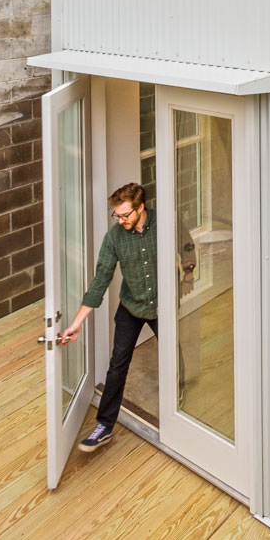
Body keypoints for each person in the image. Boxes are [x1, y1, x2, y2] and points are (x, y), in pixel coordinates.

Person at [60, 181, 195, 452]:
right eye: (117, 215)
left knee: (171, 348)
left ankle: (177, 389)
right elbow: (100, 281)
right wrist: (76, 324)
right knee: (117, 364)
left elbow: (186, 243)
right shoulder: (114, 238)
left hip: (162, 304)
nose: (120, 220)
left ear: (140, 207)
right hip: (131, 306)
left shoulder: (165, 221)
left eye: (125, 215)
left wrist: (188, 274)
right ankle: (104, 426)